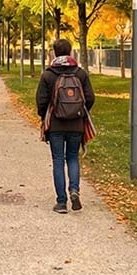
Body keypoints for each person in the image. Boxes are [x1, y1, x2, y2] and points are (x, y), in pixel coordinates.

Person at [36, 39, 94, 214]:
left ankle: (61, 202)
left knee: (58, 160)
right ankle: (74, 190)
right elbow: (90, 98)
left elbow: (41, 101)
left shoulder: (48, 74)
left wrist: (45, 116)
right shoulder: (80, 73)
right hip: (76, 124)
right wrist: (79, 112)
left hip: (55, 125)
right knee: (73, 158)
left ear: (54, 52)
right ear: (70, 51)